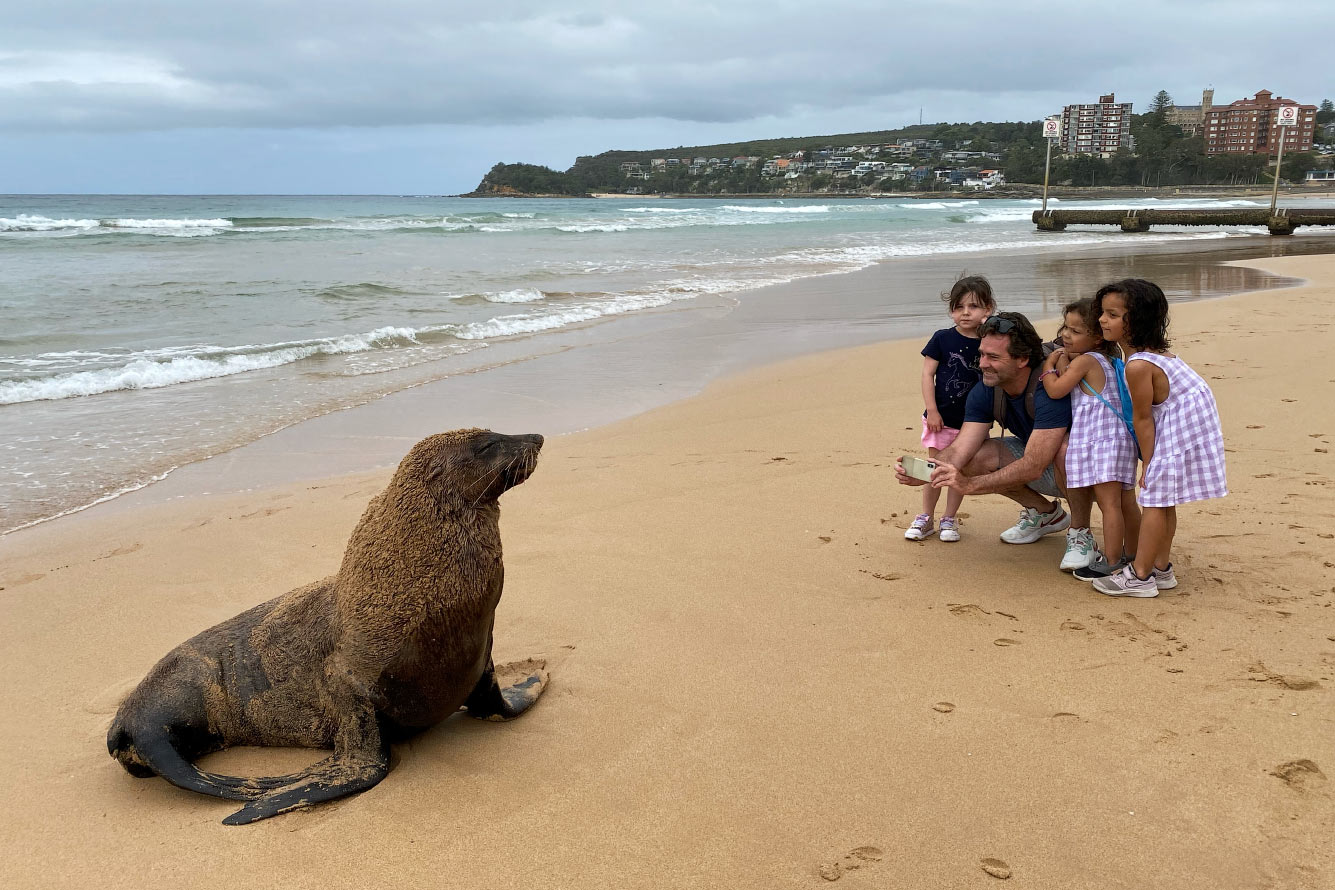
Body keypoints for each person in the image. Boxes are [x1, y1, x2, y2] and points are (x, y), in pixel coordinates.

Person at [896, 311, 1093, 570]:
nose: (982, 363)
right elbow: (959, 450)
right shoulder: (987, 388)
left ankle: (1080, 532)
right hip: (1045, 461)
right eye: (982, 354)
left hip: (1093, 472)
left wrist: (970, 485)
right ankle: (1045, 514)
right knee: (975, 457)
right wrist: (923, 472)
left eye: (993, 357)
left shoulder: (1047, 386)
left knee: (1065, 451)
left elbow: (1034, 464)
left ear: (1022, 359)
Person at [1089, 279, 1227, 597]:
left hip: (1182, 426)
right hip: (1193, 421)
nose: (1102, 320)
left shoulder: (1137, 365)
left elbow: (1143, 419)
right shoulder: (1157, 354)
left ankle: (1140, 576)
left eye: (1112, 314)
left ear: (1135, 320)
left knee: (1153, 498)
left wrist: (1148, 463)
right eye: (1102, 312)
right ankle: (1161, 569)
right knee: (1166, 500)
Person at [1039, 297, 1141, 576]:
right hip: (1120, 440)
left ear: (1096, 337)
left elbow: (1056, 389)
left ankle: (1109, 562)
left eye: (1075, 331)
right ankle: (1133, 552)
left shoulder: (1085, 361)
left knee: (1110, 505)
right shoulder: (1107, 360)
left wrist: (1048, 365)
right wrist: (1064, 360)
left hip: (1102, 442)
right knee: (1124, 501)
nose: (1065, 335)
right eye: (1065, 328)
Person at [904, 275, 996, 542]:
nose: (965, 313)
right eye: (959, 307)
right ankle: (926, 517)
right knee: (935, 467)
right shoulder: (942, 339)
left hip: (974, 423)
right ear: (951, 310)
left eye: (973, 306)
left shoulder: (989, 342)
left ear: (987, 309)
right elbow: (927, 375)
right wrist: (932, 410)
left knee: (961, 471)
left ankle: (949, 518)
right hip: (941, 419)